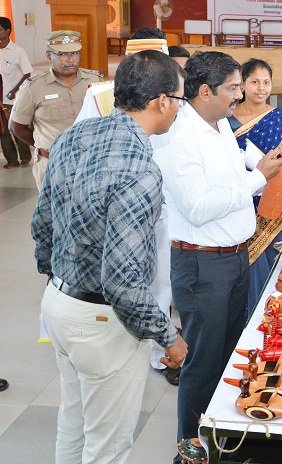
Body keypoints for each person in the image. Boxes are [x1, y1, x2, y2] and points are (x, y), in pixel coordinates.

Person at [30, 50, 188, 464]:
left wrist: (61, 281)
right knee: (108, 448)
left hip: (59, 303)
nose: (179, 110)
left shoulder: (73, 136)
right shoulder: (139, 168)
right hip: (104, 323)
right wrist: (168, 338)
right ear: (161, 102)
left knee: (75, 422)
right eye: (181, 100)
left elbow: (41, 224)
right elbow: (123, 282)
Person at [152, 52, 282, 458]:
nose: (240, 94)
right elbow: (198, 207)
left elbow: (235, 185)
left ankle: (222, 440)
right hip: (202, 264)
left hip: (233, 258)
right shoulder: (178, 138)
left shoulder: (220, 129)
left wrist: (262, 171)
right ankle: (189, 450)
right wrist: (257, 177)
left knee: (230, 355)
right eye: (232, 88)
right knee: (201, 362)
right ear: (204, 91)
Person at [71, 32, 184, 386]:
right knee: (128, 273)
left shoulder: (178, 92)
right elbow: (81, 141)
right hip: (121, 194)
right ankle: (152, 338)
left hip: (162, 197)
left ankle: (158, 352)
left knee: (160, 279)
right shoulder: (101, 94)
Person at [229, 58, 282, 315]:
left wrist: (269, 171)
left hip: (270, 204)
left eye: (266, 82)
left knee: (267, 266)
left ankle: (267, 319)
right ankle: (241, 322)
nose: (261, 88)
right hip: (235, 202)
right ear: (242, 84)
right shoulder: (226, 120)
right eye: (254, 82)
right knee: (237, 269)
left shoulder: (280, 119)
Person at [10, 30, 101, 190]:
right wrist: (45, 145)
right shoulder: (33, 87)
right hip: (52, 164)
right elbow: (17, 126)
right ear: (48, 55)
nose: (70, 59)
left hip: (90, 163)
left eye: (74, 53)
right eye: (62, 54)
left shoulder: (95, 80)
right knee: (53, 213)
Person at [75, 28, 169, 121]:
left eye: (157, 61)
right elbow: (81, 134)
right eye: (143, 60)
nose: (150, 67)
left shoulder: (175, 94)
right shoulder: (99, 95)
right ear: (128, 59)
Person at [0, 17, 32, 169]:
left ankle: (25, 157)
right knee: (3, 131)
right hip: (0, 98)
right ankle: (11, 160)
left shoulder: (18, 51)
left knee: (16, 127)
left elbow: (27, 74)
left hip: (15, 98)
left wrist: (14, 90)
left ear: (7, 31)